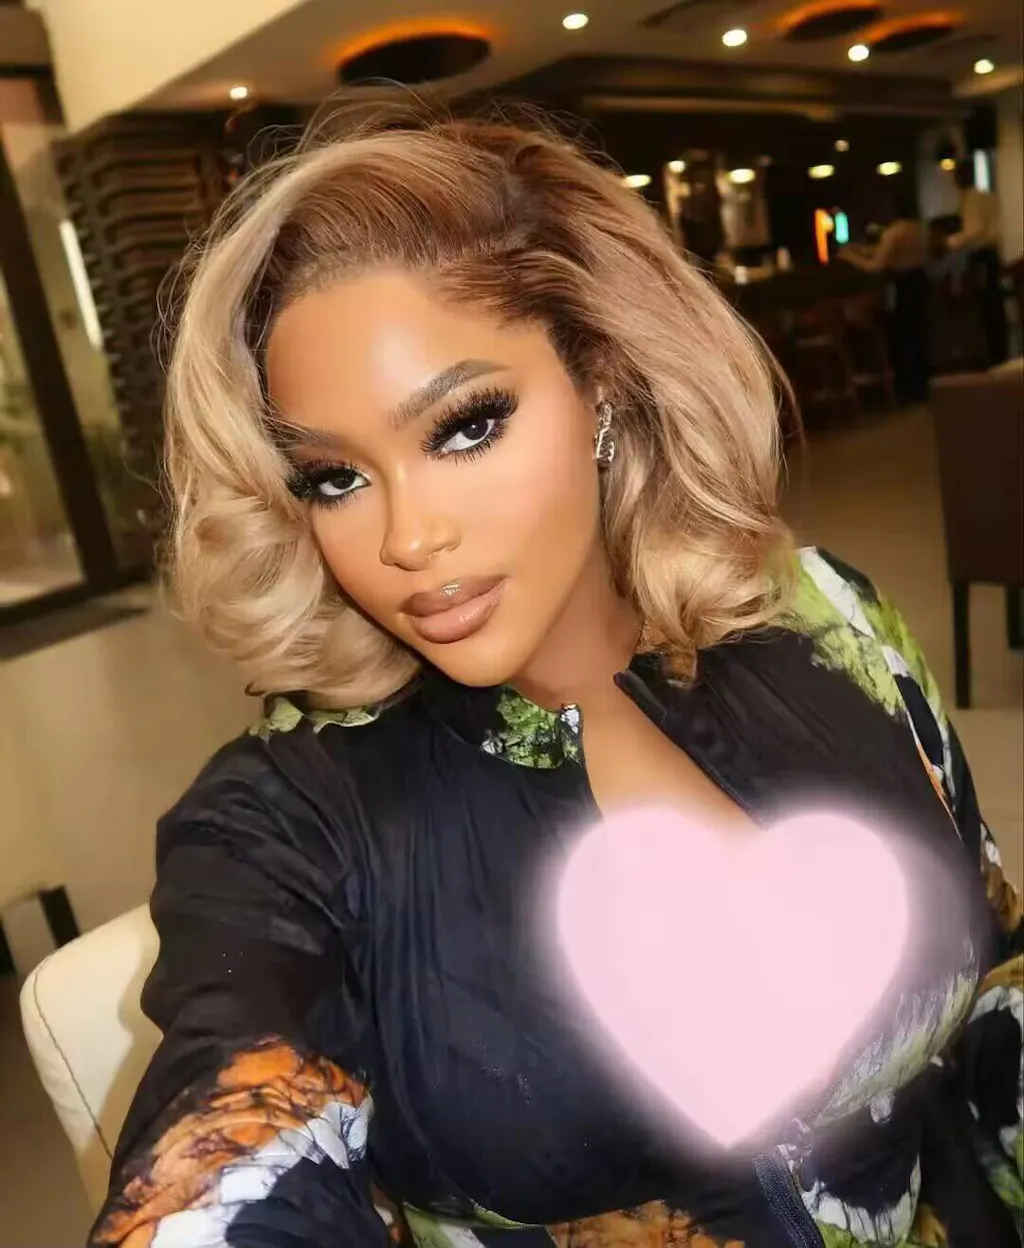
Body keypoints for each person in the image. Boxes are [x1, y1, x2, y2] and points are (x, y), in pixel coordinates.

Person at [89, 105, 1023, 1247]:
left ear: (603, 383)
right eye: (334, 478)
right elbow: (221, 1151)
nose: (408, 539)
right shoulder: (287, 818)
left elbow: (996, 985)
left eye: (464, 426)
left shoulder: (828, 619)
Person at [840, 192, 931, 402]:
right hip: (920, 281)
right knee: (920, 334)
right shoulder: (920, 229)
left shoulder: (894, 232)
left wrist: (851, 257)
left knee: (902, 337)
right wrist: (867, 250)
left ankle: (906, 388)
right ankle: (922, 386)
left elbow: (878, 266)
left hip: (902, 285)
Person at [947, 158, 1009, 366]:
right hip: (991, 254)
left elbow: (975, 230)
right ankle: (999, 352)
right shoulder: (986, 197)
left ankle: (993, 355)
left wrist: (950, 242)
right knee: (993, 305)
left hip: (981, 256)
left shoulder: (972, 199)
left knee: (987, 306)